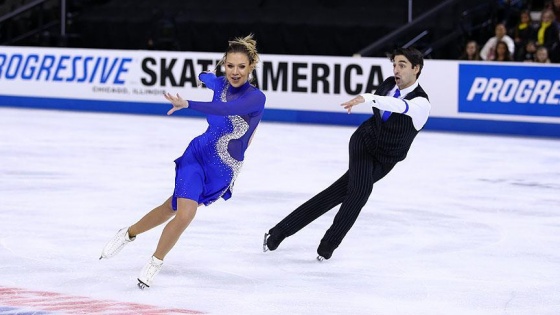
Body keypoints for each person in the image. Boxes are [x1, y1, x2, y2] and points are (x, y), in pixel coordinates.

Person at [99, 34, 266, 289]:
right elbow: (208, 78)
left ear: (251, 66)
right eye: (230, 66)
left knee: (171, 208)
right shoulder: (220, 83)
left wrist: (189, 101)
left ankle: (129, 233)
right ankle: (155, 262)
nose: (234, 72)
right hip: (197, 155)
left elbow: (224, 110)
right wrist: (204, 76)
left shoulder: (255, 98)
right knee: (185, 213)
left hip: (222, 170)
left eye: (241, 66)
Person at [263, 47, 431, 261]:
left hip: (386, 159)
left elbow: (400, 106)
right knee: (360, 192)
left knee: (336, 193)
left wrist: (368, 98)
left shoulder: (421, 104)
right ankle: (327, 247)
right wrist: (370, 98)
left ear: (416, 69)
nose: (396, 70)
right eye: (395, 64)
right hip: (364, 142)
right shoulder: (388, 84)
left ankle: (277, 233)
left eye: (402, 65)